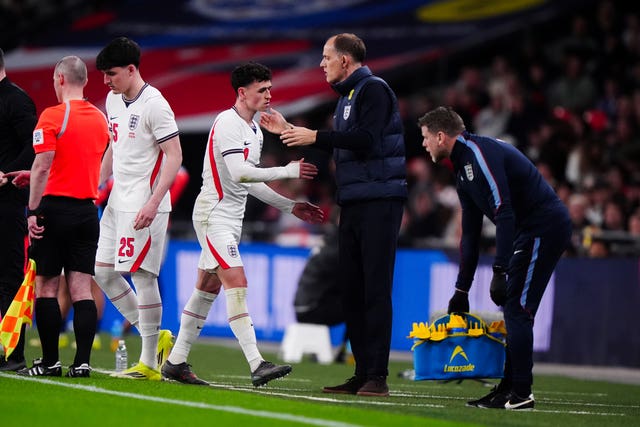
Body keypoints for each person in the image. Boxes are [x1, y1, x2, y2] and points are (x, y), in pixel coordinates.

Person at [260, 33, 407, 397]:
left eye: (327, 57)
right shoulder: (347, 98)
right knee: (353, 289)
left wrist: (314, 137)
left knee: (374, 288)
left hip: (380, 200)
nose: (322, 64)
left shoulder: (373, 89)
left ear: (345, 60)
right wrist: (289, 132)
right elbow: (342, 143)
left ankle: (378, 375)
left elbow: (367, 140)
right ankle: (361, 373)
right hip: (355, 201)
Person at [161, 62, 324, 387]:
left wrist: (290, 206)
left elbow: (250, 183)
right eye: (262, 89)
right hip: (213, 215)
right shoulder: (227, 123)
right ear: (242, 92)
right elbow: (239, 173)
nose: (269, 95)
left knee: (207, 289)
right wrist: (287, 172)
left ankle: (175, 362)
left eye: (269, 88)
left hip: (230, 219)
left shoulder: (253, 130)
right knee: (237, 280)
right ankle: (257, 362)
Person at [417, 106, 571, 410]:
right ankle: (508, 388)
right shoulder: (463, 170)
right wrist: (461, 290)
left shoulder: (478, 154)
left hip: (544, 226)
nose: (423, 144)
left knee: (517, 308)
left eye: (425, 138)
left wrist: (499, 269)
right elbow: (471, 235)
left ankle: (521, 392)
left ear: (440, 136)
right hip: (531, 230)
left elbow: (504, 210)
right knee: (514, 308)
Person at [14, 56, 110, 377]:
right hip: (86, 210)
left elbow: (43, 165)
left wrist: (33, 209)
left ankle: (51, 361)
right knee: (82, 288)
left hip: (54, 211)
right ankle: (82, 363)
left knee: (47, 288)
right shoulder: (101, 119)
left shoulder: (52, 115)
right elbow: (87, 165)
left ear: (59, 79)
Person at [93, 37, 182, 380]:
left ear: (132, 70)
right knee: (102, 272)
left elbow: (175, 156)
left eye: (111, 74)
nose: (106, 81)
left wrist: (153, 201)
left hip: (145, 204)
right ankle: (154, 336)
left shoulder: (156, 105)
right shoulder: (113, 100)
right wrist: (97, 184)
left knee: (143, 276)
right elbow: (112, 147)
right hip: (117, 201)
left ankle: (148, 363)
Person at [0, 47, 37, 371]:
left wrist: (6, 173)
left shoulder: (16, 100)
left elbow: (34, 146)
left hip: (8, 204)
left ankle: (15, 354)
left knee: (10, 278)